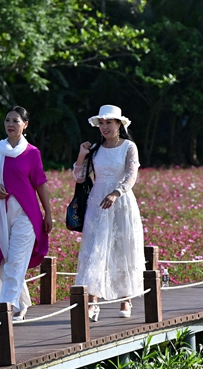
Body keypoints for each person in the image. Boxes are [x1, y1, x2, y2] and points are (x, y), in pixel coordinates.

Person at [0, 106, 53, 323]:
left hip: (26, 215)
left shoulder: (32, 153)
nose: (10, 124)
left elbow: (40, 184)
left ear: (25, 124)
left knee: (15, 260)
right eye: (7, 120)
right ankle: (22, 303)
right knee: (6, 261)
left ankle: (6, 307)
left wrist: (48, 213)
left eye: (15, 121)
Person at [73, 105, 143, 321]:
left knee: (122, 248)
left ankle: (126, 298)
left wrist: (116, 193)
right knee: (95, 248)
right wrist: (82, 156)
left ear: (119, 124)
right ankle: (92, 301)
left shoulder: (129, 147)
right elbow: (79, 177)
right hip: (97, 202)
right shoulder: (95, 148)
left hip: (121, 203)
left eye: (108, 123)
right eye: (101, 123)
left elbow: (131, 175)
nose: (104, 127)